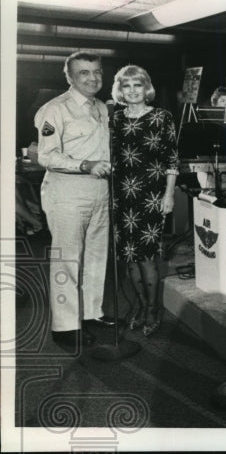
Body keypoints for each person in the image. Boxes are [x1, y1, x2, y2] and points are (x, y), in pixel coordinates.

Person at [35, 51, 114, 348]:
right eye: (84, 73)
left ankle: (91, 312)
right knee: (68, 259)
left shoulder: (103, 109)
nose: (93, 78)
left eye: (97, 72)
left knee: (96, 256)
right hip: (67, 193)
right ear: (69, 77)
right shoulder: (55, 109)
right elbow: (46, 155)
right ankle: (65, 327)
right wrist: (85, 164)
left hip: (99, 191)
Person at [108, 65, 179, 337]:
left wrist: (169, 194)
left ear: (146, 88)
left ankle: (152, 309)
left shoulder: (162, 117)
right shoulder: (115, 119)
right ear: (120, 90)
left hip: (150, 196)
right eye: (127, 86)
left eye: (138, 85)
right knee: (129, 258)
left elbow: (172, 159)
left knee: (147, 257)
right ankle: (139, 304)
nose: (133, 91)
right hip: (121, 197)